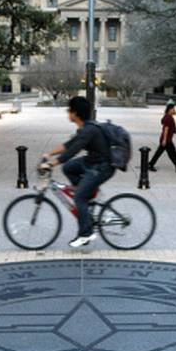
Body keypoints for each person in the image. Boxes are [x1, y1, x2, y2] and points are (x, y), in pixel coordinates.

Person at [41, 96, 114, 248]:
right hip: (92, 162)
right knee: (68, 167)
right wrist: (49, 154)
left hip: (102, 167)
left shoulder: (89, 130)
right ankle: (89, 194)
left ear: (75, 113)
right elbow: (68, 145)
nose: (67, 113)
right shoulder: (85, 128)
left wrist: (52, 164)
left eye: (69, 110)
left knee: (79, 197)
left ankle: (86, 234)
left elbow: (73, 151)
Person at [148, 102, 176, 173]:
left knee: (161, 153)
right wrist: (164, 140)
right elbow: (166, 129)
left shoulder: (168, 117)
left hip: (166, 139)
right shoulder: (168, 118)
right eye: (173, 109)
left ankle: (150, 164)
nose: (175, 110)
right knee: (172, 153)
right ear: (170, 109)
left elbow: (173, 129)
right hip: (167, 140)